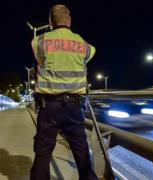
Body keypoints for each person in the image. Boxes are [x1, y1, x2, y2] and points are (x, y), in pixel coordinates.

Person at [30, 4, 98, 180]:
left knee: (43, 150)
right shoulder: (83, 44)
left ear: (50, 22)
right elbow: (91, 54)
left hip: (49, 106)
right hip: (75, 106)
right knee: (80, 148)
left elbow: (38, 60)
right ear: (69, 20)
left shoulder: (40, 41)